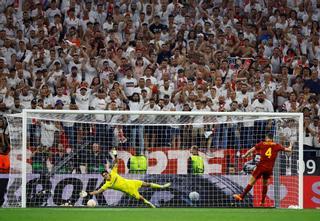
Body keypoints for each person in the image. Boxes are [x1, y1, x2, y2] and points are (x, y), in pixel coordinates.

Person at [89, 149, 171, 208]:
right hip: (129, 190)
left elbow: (116, 162)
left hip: (132, 182)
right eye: (104, 176)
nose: (105, 176)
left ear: (107, 173)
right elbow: (98, 191)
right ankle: (150, 204)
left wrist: (115, 155)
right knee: (141, 198)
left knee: (147, 184)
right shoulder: (107, 184)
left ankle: (162, 186)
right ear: (103, 177)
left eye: (105, 174)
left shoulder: (113, 172)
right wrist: (90, 193)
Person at [233, 133, 292, 206]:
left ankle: (241, 196)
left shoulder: (262, 143)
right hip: (269, 169)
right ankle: (262, 202)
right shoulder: (277, 145)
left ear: (266, 138)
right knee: (265, 184)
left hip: (261, 167)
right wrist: (291, 144)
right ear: (272, 138)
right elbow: (289, 150)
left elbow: (251, 150)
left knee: (251, 182)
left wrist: (245, 156)